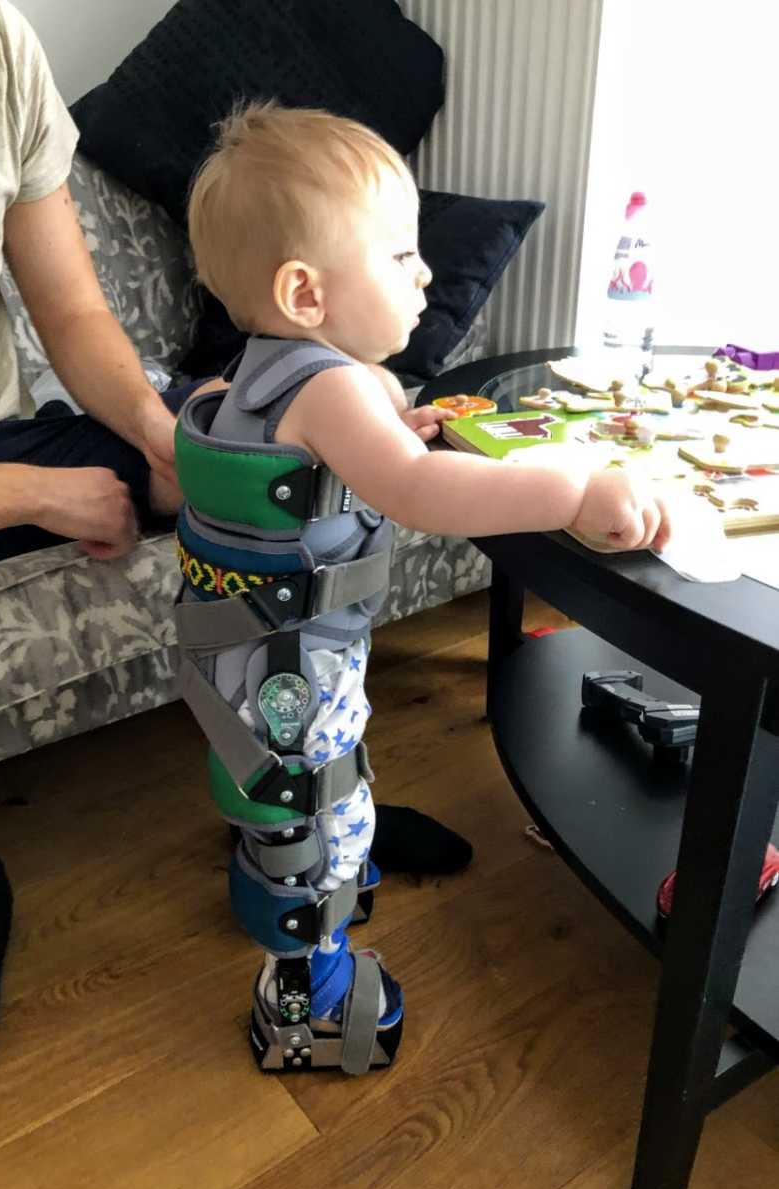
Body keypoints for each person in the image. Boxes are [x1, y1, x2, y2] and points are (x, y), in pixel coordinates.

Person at [0, 1, 471, 1105]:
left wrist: (179, 444)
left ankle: (324, 817)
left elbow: (70, 312)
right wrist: (32, 492)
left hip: (25, 427)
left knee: (236, 454)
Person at [179, 101, 672, 1075]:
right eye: (401, 257)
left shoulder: (254, 377)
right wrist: (571, 488)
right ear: (305, 294)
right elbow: (421, 495)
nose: (426, 274)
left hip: (242, 658)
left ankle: (291, 889)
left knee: (286, 801)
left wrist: (400, 426)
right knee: (314, 815)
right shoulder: (334, 390)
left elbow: (324, 469)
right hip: (293, 668)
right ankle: (306, 1013)